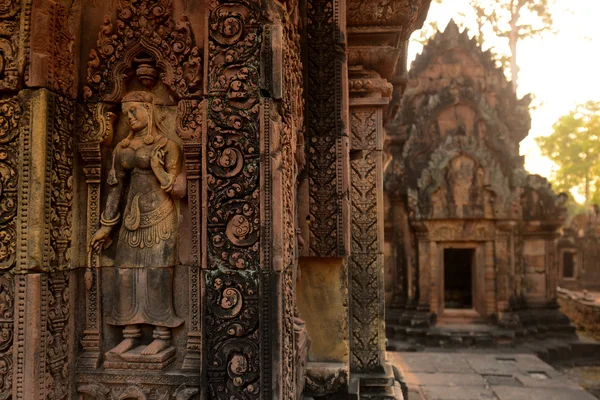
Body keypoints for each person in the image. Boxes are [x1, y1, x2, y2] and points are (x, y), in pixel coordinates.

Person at [90, 91, 184, 356]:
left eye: (134, 111)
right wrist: (107, 225)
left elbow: (177, 189)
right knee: (125, 273)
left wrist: (158, 169)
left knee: (157, 273)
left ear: (149, 110)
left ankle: (161, 335)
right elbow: (115, 189)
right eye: (126, 112)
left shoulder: (168, 146)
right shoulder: (123, 148)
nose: (130, 117)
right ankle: (129, 334)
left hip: (160, 217)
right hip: (132, 219)